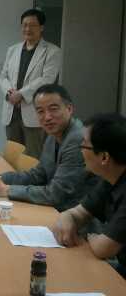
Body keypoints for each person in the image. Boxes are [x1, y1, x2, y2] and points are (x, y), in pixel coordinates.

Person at [0, 84, 97, 212]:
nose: (47, 117)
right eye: (40, 111)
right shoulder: (53, 135)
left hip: (76, 217)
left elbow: (56, 194)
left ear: (69, 109)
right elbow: (38, 175)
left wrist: (7, 189)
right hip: (55, 210)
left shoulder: (78, 140)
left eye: (53, 109)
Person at [52, 113, 126, 278]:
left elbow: (103, 248)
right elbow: (78, 213)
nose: (80, 149)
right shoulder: (110, 178)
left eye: (84, 145)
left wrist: (91, 237)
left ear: (104, 157)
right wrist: (67, 218)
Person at [0, 8, 62, 158]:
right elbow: (3, 76)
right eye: (25, 25)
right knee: (12, 157)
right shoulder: (13, 50)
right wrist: (9, 93)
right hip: (11, 112)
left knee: (33, 157)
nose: (27, 29)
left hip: (34, 112)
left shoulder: (52, 51)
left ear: (41, 27)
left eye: (32, 25)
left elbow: (47, 79)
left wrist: (21, 94)